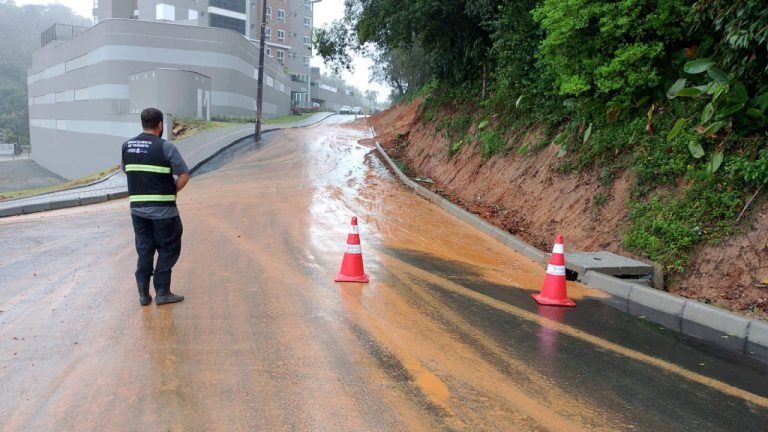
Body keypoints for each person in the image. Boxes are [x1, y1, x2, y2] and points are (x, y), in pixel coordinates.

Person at [122, 108, 189, 306]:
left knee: (145, 249)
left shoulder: (127, 146)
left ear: (143, 124)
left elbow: (126, 170)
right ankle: (162, 292)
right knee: (168, 247)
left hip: (138, 210)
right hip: (164, 212)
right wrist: (172, 191)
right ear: (160, 124)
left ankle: (143, 295)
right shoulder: (166, 147)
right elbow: (184, 174)